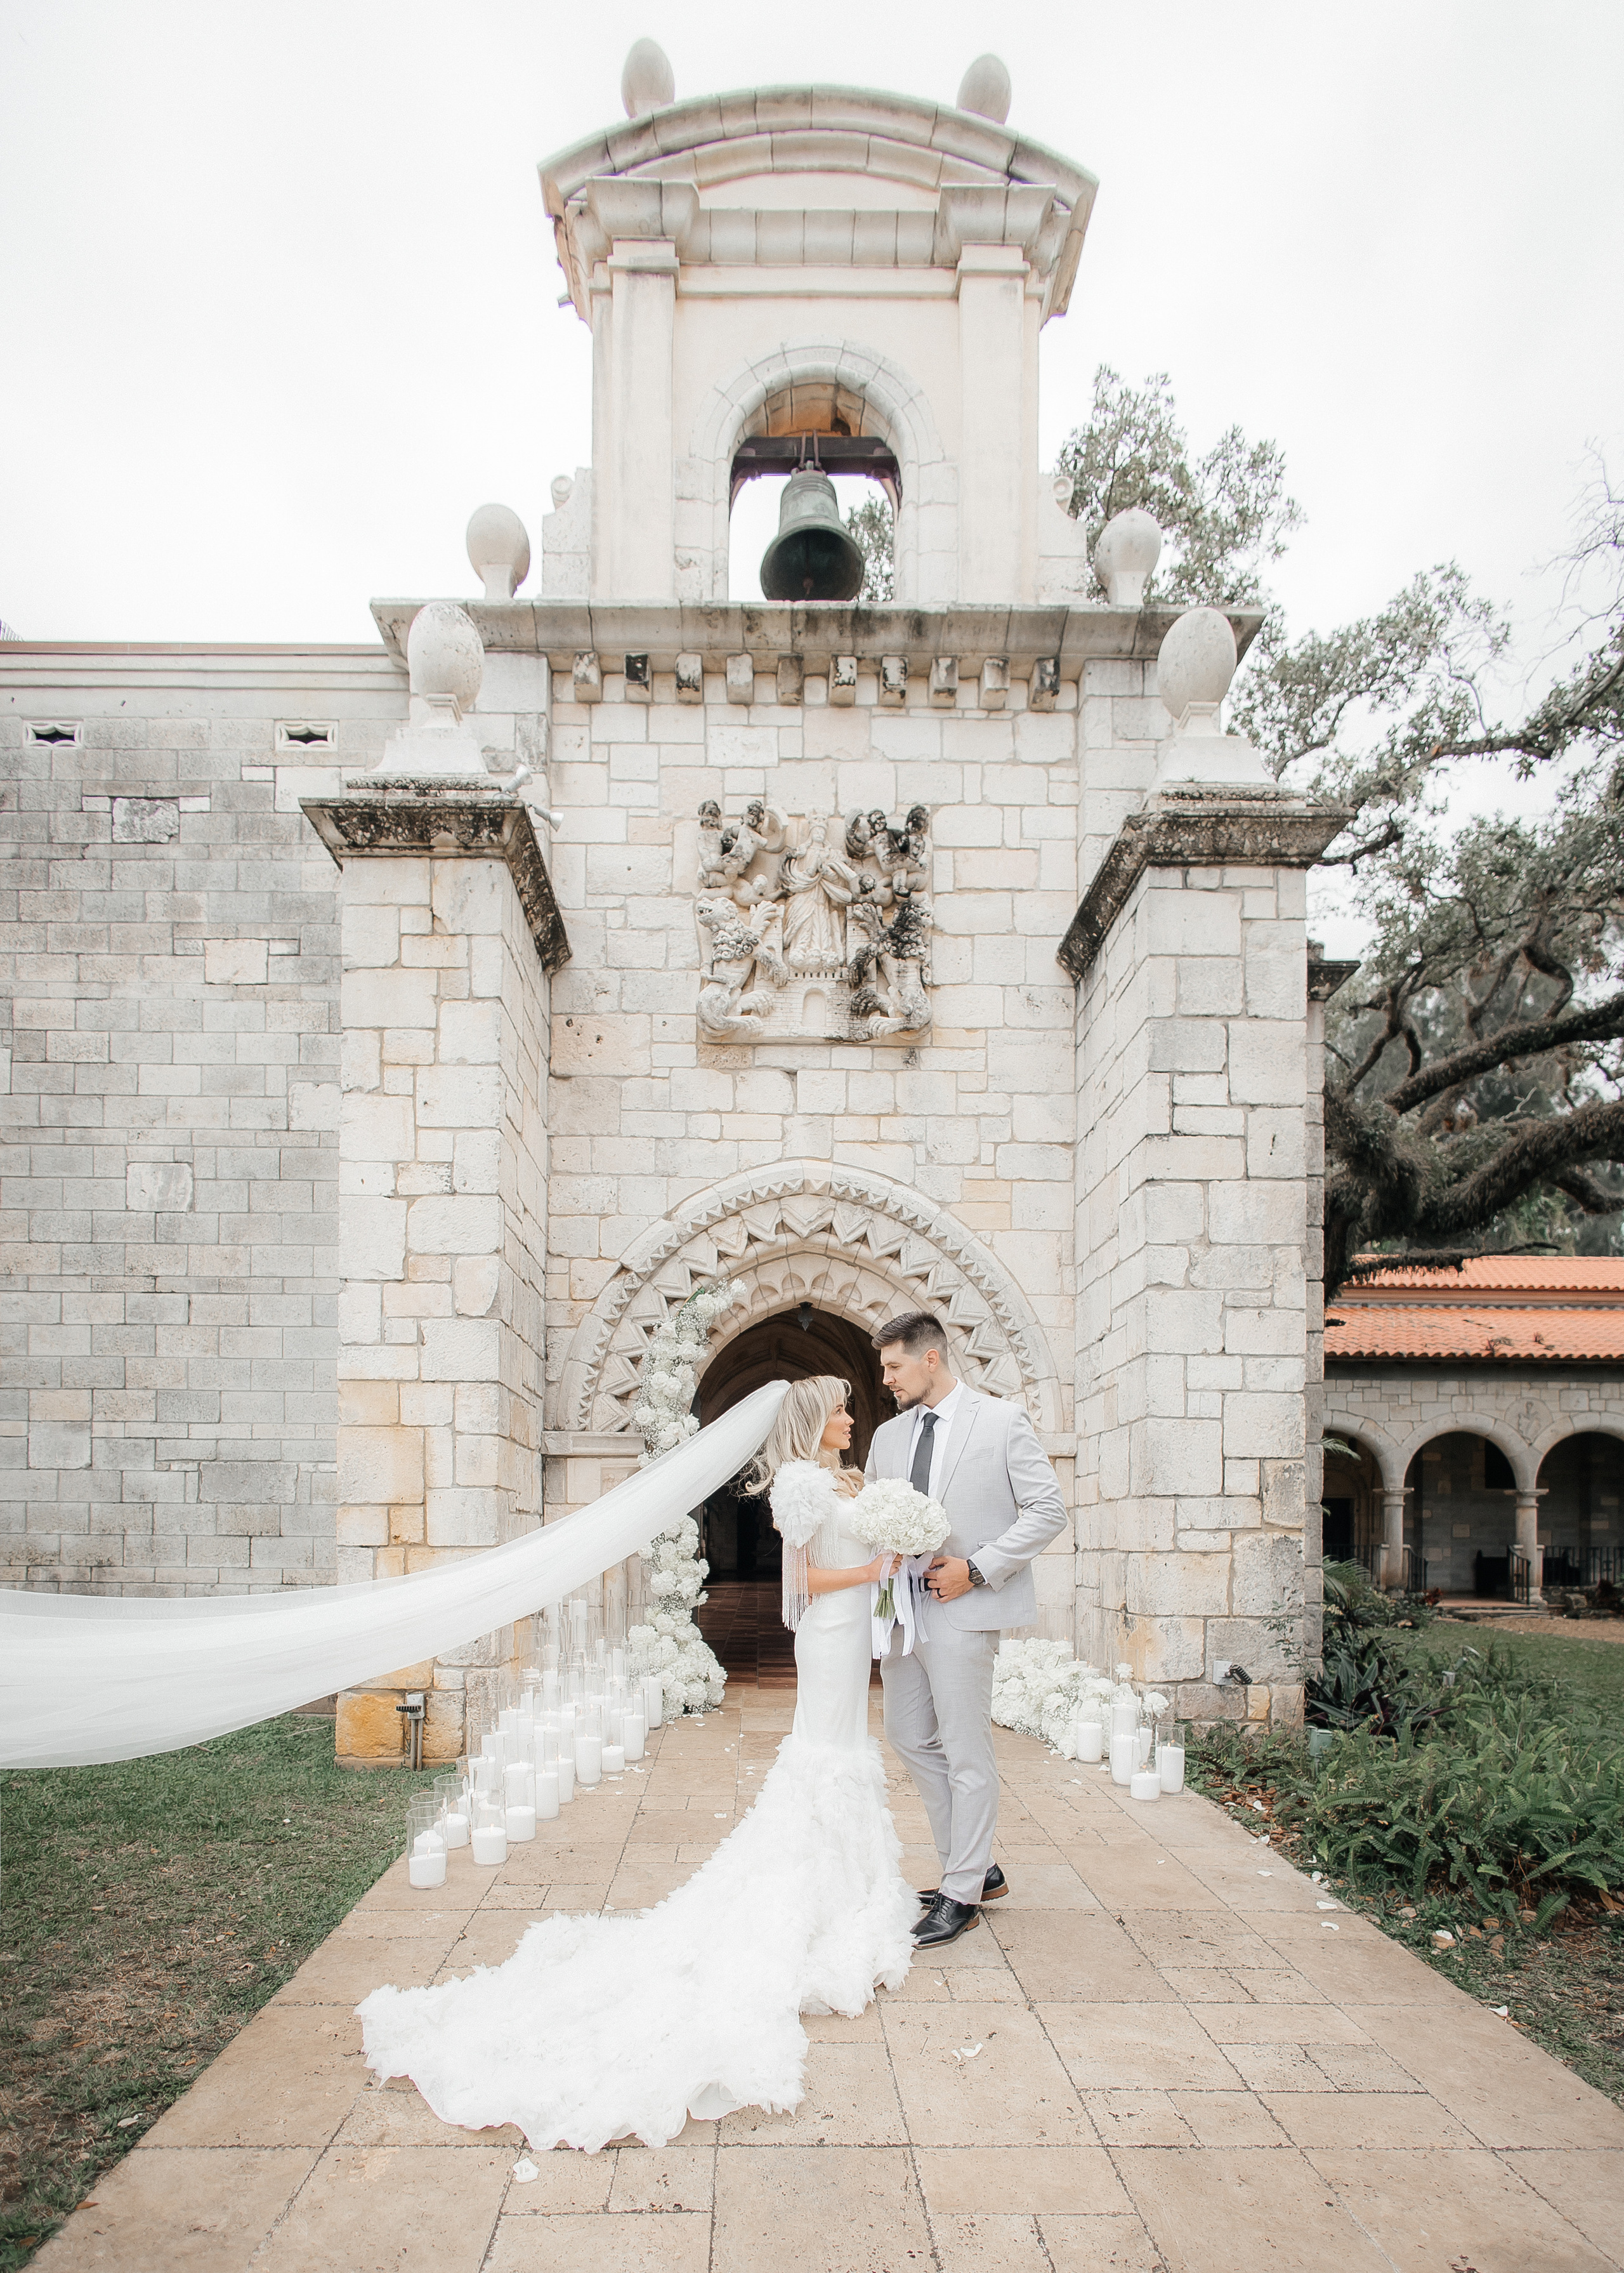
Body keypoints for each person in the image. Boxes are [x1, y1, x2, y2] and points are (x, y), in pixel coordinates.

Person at [356, 1376, 915, 2153]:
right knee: (825, 1755)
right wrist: (874, 1571)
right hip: (831, 1631)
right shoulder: (798, 1484)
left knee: (846, 1750)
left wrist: (890, 1553)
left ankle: (847, 1883)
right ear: (814, 1420)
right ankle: (814, 1888)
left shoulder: (841, 1480)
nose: (853, 1419)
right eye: (842, 1410)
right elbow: (801, 1582)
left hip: (857, 1634)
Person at [867, 1311, 1068, 1947]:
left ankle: (961, 1893)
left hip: (965, 1606)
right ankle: (977, 1866)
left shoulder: (1002, 1421)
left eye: (894, 1366)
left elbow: (1048, 1511)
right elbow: (873, 1514)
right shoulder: (887, 1437)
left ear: (930, 1358)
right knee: (907, 1736)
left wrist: (976, 1570)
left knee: (965, 1750)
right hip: (903, 1612)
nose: (887, 1379)